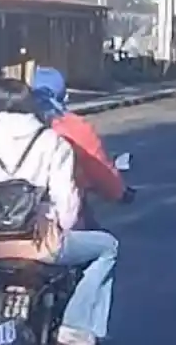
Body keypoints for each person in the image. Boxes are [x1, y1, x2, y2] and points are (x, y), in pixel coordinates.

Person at [0, 78, 119, 345]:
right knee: (107, 247)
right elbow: (68, 207)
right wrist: (53, 225)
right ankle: (75, 326)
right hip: (40, 245)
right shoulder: (52, 142)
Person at [31, 66, 133, 230]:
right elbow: (97, 167)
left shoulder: (6, 126)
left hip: (3, 217)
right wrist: (119, 193)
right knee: (106, 247)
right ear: (63, 95)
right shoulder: (71, 126)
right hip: (58, 217)